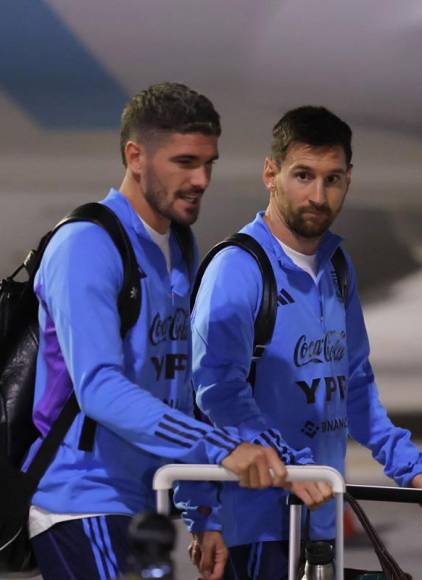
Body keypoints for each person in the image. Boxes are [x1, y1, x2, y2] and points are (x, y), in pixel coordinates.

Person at [23, 83, 290, 580]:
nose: (201, 179)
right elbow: (100, 388)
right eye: (184, 162)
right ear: (135, 156)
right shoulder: (87, 244)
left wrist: (202, 508)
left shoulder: (180, 246)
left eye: (209, 162)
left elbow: (175, 390)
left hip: (147, 501)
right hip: (82, 501)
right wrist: (223, 451)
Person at [186, 106, 422, 579]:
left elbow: (355, 387)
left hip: (319, 518)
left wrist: (412, 470)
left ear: (349, 179)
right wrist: (207, 513)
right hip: (252, 528)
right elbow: (216, 394)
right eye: (303, 175)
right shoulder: (238, 269)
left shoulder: (337, 266)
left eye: (332, 179)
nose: (318, 194)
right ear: (271, 174)